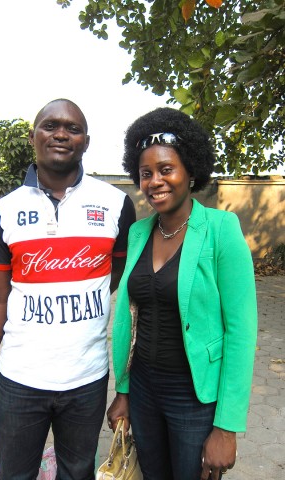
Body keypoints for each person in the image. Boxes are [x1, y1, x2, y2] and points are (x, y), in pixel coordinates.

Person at [0, 98, 136, 480]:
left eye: (73, 128)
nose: (61, 133)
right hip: (20, 379)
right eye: (50, 125)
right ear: (33, 137)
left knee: (78, 472)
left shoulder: (115, 205)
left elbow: (119, 276)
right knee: (15, 474)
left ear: (86, 142)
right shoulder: (5, 211)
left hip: (87, 378)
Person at [106, 107, 257, 480]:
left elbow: (241, 332)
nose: (155, 181)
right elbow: (130, 319)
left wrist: (226, 427)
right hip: (142, 390)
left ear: (190, 171)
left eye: (166, 169)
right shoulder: (140, 233)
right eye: (145, 173)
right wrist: (123, 390)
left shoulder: (221, 229)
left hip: (193, 397)